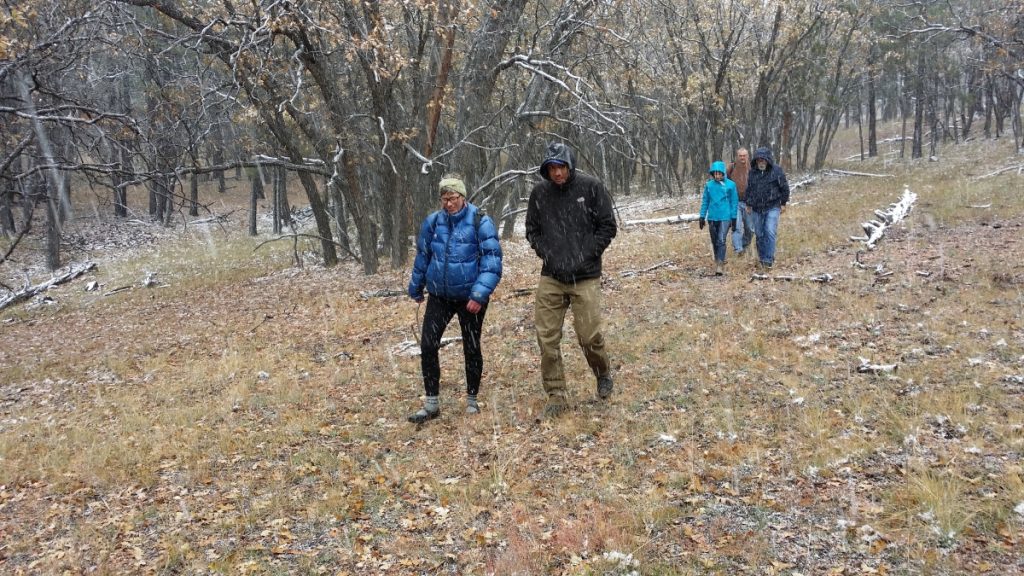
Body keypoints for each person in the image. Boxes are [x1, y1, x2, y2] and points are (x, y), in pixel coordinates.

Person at [525, 142, 617, 417]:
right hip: (552, 275)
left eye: (561, 167)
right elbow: (532, 230)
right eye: (551, 168)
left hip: (585, 274)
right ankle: (556, 394)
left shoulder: (591, 187)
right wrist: (548, 254)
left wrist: (586, 254)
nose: (556, 173)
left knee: (589, 337)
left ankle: (602, 372)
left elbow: (608, 226)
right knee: (547, 338)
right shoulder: (540, 193)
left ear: (570, 166)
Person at [407, 174, 503, 423]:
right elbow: (423, 256)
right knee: (428, 345)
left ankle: (472, 399)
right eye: (444, 199)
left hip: (470, 297)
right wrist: (416, 287)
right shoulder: (433, 222)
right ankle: (431, 403)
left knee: (471, 347)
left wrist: (479, 295)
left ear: (463, 197)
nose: (448, 203)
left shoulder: (480, 221)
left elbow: (492, 262)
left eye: (453, 198)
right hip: (439, 295)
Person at [744, 147, 790, 269]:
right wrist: (748, 203)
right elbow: (749, 189)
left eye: (763, 160)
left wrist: (783, 203)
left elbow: (784, 188)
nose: (761, 162)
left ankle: (768, 260)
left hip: (772, 206)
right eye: (759, 160)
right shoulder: (752, 173)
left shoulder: (777, 171)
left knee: (769, 231)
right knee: (759, 233)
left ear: (768, 160)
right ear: (756, 161)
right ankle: (762, 257)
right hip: (756, 207)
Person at [698, 161, 739, 276]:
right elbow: (705, 201)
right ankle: (718, 258)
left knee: (721, 240)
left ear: (723, 173)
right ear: (712, 174)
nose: (717, 176)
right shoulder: (709, 185)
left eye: (719, 173)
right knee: (714, 240)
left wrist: (734, 218)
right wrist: (702, 216)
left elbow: (734, 202)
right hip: (712, 217)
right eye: (715, 174)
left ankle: (720, 264)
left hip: (725, 217)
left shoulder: (730, 185)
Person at [727, 148, 752, 257]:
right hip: (735, 202)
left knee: (750, 229)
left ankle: (743, 245)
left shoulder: (752, 168)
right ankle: (738, 250)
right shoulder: (731, 168)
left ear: (747, 156)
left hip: (749, 203)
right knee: (736, 227)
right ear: (737, 156)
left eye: (744, 155)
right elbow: (724, 182)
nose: (742, 158)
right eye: (740, 155)